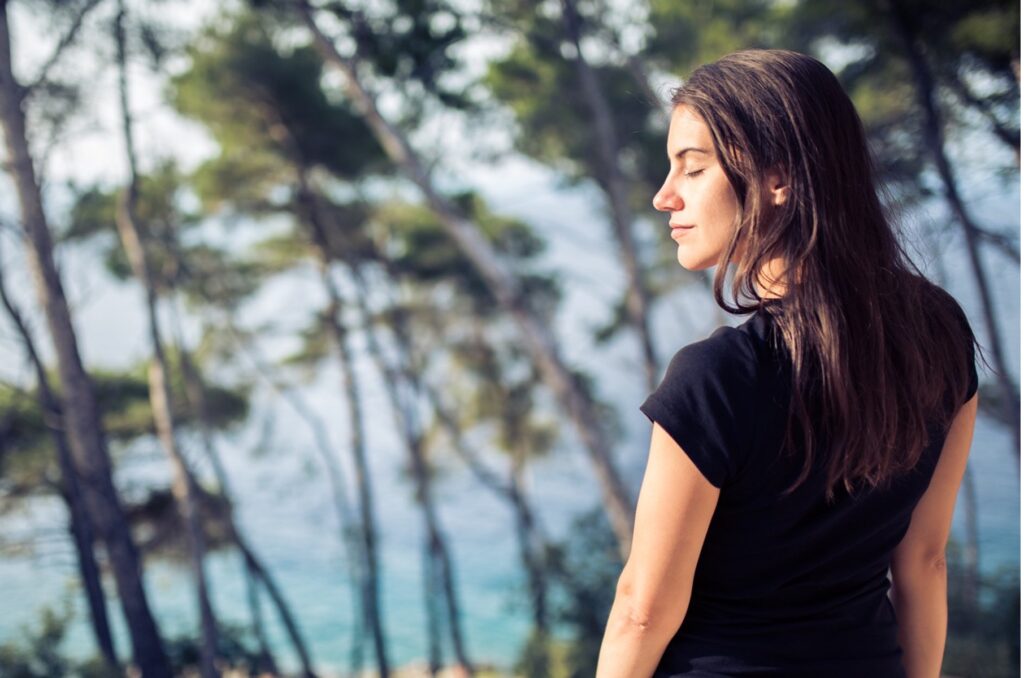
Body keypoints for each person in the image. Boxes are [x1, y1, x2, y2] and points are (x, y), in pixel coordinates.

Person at [595, 49, 982, 678]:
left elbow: (642, 608)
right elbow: (924, 562)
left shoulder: (717, 379)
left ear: (778, 179)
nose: (665, 196)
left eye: (692, 169)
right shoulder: (939, 333)